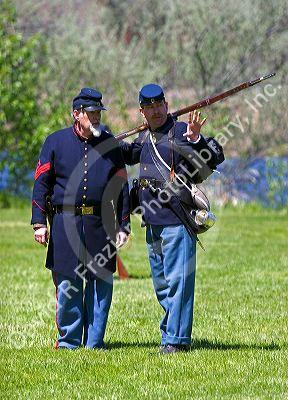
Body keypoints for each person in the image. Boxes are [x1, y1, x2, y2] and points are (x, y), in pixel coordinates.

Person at [120, 83, 224, 354]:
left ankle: (176, 341)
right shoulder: (145, 139)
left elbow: (214, 156)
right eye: (149, 108)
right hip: (152, 223)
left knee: (179, 283)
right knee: (163, 286)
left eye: (159, 106)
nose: (155, 112)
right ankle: (171, 334)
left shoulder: (181, 131)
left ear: (166, 105)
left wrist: (195, 140)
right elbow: (124, 154)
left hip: (177, 220)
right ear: (142, 112)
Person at [32, 87, 130, 350]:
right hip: (65, 223)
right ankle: (69, 342)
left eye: (98, 112)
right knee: (67, 284)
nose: (96, 117)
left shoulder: (109, 143)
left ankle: (94, 343)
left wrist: (124, 224)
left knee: (101, 285)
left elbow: (122, 186)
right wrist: (39, 222)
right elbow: (41, 184)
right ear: (76, 114)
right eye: (91, 112)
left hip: (101, 223)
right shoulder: (55, 142)